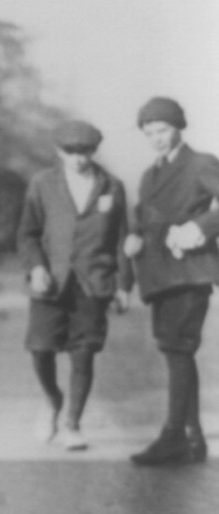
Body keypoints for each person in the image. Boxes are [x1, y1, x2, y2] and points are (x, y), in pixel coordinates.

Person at [16, 119, 131, 451]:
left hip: (94, 282)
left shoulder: (112, 186)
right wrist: (37, 267)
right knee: (40, 349)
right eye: (71, 152)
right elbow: (27, 233)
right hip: (50, 282)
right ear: (58, 152)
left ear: (94, 151)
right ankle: (53, 400)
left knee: (84, 354)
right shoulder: (42, 183)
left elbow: (123, 238)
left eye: (86, 151)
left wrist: (124, 284)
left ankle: (73, 424)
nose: (79, 158)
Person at [123, 96, 219, 467]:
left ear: (179, 126)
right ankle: (191, 436)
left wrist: (200, 226)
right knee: (175, 351)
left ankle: (174, 434)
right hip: (159, 275)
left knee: (178, 349)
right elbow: (144, 216)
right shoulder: (150, 175)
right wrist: (133, 235)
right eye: (149, 133)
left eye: (162, 130)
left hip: (189, 270)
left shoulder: (200, 164)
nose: (157, 138)